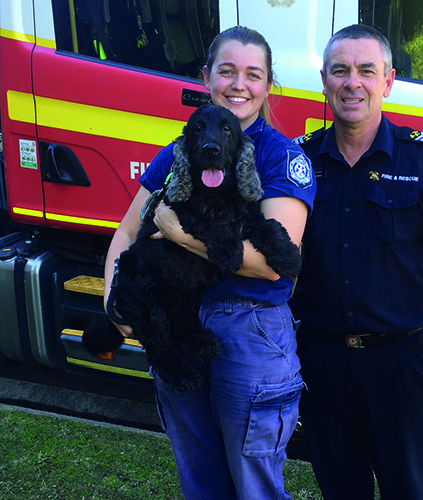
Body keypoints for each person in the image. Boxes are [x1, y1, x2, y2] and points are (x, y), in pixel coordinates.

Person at [103, 26, 316, 500]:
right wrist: (113, 302)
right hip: (181, 324)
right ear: (207, 78)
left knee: (254, 486)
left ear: (267, 85)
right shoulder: (179, 151)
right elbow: (127, 232)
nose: (239, 84)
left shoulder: (280, 156)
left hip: (250, 330)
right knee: (200, 481)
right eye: (227, 71)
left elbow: (270, 264)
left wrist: (178, 232)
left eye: (253, 74)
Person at [290, 24, 423, 499]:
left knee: (407, 490)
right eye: (340, 71)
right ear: (324, 81)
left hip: (401, 361)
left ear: (389, 81)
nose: (352, 82)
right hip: (321, 358)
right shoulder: (299, 161)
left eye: (366, 71)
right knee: (340, 487)